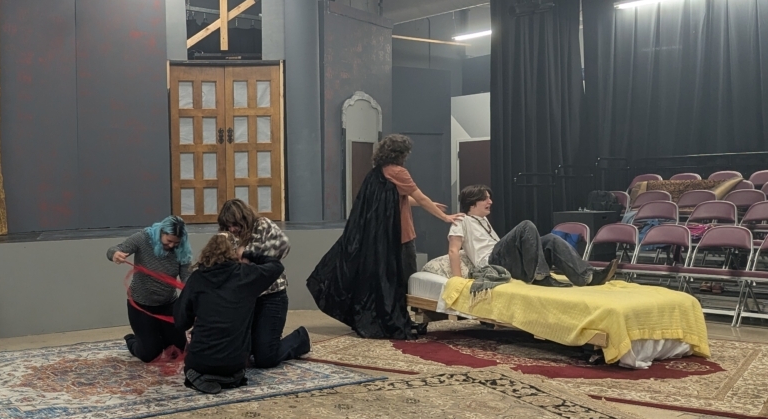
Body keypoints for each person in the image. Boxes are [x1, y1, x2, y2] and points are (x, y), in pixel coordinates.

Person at [307, 134, 463, 339]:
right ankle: (400, 319)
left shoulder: (377, 173)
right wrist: (444, 216)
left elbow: (402, 199)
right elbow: (420, 198)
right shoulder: (399, 172)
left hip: (383, 240)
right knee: (405, 279)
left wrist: (431, 205)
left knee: (394, 281)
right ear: (401, 154)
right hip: (399, 238)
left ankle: (396, 317)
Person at [174, 233, 285, 394]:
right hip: (237, 362)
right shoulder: (247, 275)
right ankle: (231, 378)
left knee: (195, 360)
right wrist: (248, 254)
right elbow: (276, 266)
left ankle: (201, 376)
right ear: (233, 253)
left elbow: (180, 321)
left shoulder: (197, 279)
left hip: (201, 361)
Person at [447, 185, 619, 286]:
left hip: (508, 262)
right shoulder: (462, 220)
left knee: (551, 239)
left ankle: (587, 277)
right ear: (472, 201)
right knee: (526, 226)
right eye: (485, 199)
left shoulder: (483, 221)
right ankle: (541, 276)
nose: (490, 202)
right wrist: (458, 282)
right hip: (491, 262)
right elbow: (454, 250)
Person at [217, 199, 310, 367]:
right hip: (246, 300)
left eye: (234, 224)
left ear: (243, 219)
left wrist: (247, 254)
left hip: (272, 297)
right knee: (238, 352)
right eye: (227, 225)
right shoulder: (227, 236)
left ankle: (300, 338)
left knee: (265, 358)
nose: (232, 229)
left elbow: (283, 246)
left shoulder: (262, 225)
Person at [108, 216, 192, 362]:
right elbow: (113, 250)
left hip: (168, 304)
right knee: (150, 355)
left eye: (176, 243)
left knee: (177, 352)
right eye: (169, 241)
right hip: (141, 306)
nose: (172, 245)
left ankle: (161, 336)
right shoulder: (142, 238)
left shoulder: (182, 249)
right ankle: (131, 340)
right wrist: (115, 254)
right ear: (161, 233)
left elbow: (186, 278)